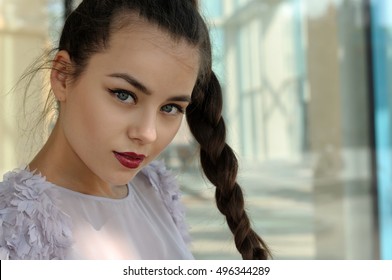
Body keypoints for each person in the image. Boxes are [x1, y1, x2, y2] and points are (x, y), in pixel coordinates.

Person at [0, 0, 271, 260]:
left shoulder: (156, 189)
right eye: (124, 95)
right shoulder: (11, 231)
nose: (148, 133)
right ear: (62, 76)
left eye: (171, 108)